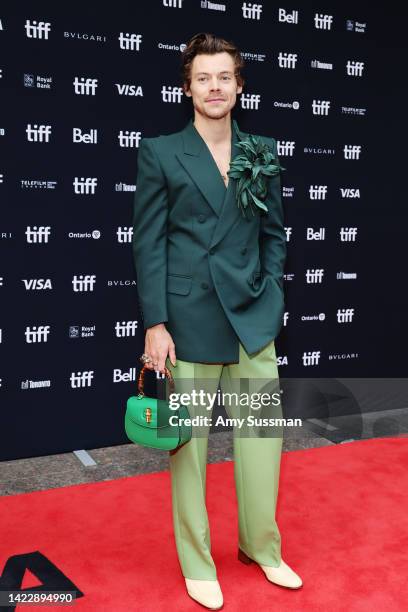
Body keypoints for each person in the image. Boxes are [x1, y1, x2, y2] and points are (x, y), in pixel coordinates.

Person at [132, 32, 302, 610]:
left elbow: (275, 233)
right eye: (203, 78)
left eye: (223, 77)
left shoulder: (262, 151)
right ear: (188, 87)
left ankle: (262, 547)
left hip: (253, 317)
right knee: (191, 450)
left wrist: (273, 293)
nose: (214, 87)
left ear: (239, 84)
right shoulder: (160, 152)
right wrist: (156, 323)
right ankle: (197, 561)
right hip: (189, 322)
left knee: (262, 443)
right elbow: (149, 244)